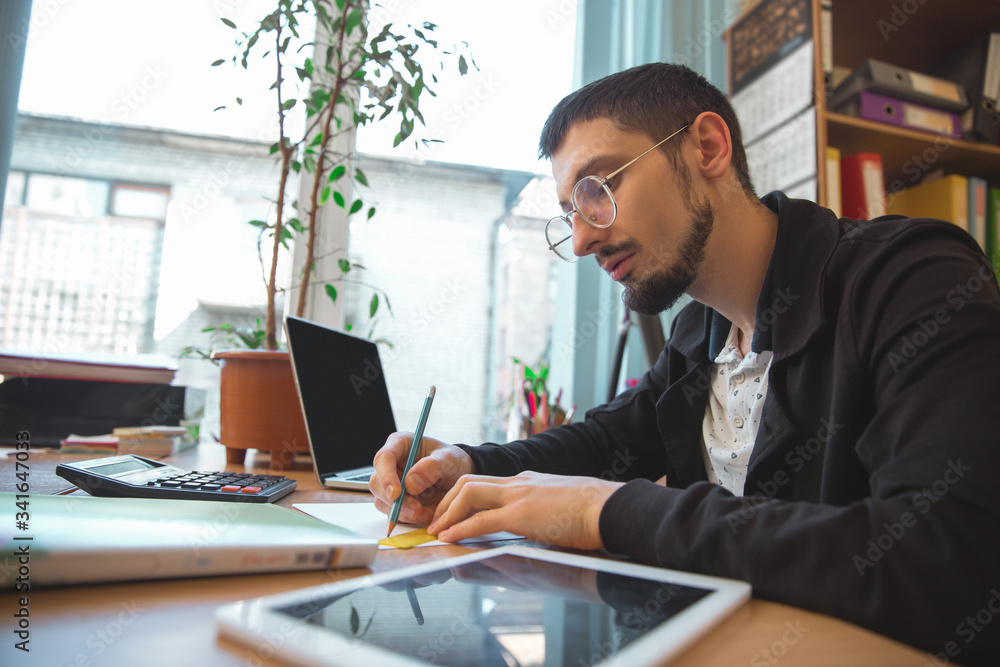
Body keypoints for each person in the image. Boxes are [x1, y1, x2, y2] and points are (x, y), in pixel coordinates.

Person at [370, 63, 1000, 663]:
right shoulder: (701, 329)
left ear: (706, 147)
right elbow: (608, 439)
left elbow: (946, 563)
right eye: (570, 213)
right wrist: (469, 465)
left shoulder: (914, 280)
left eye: (599, 188)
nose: (584, 238)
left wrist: (605, 511)